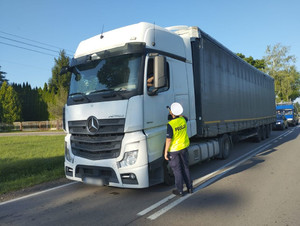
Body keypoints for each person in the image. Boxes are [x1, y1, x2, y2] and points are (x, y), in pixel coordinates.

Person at [164, 102, 193, 196]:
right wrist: (176, 113)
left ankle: (180, 190)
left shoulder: (171, 124)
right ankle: (190, 188)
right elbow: (184, 116)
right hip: (184, 147)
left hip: (174, 150)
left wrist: (165, 152)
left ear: (172, 113)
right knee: (185, 168)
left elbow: (168, 140)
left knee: (177, 170)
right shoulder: (183, 120)